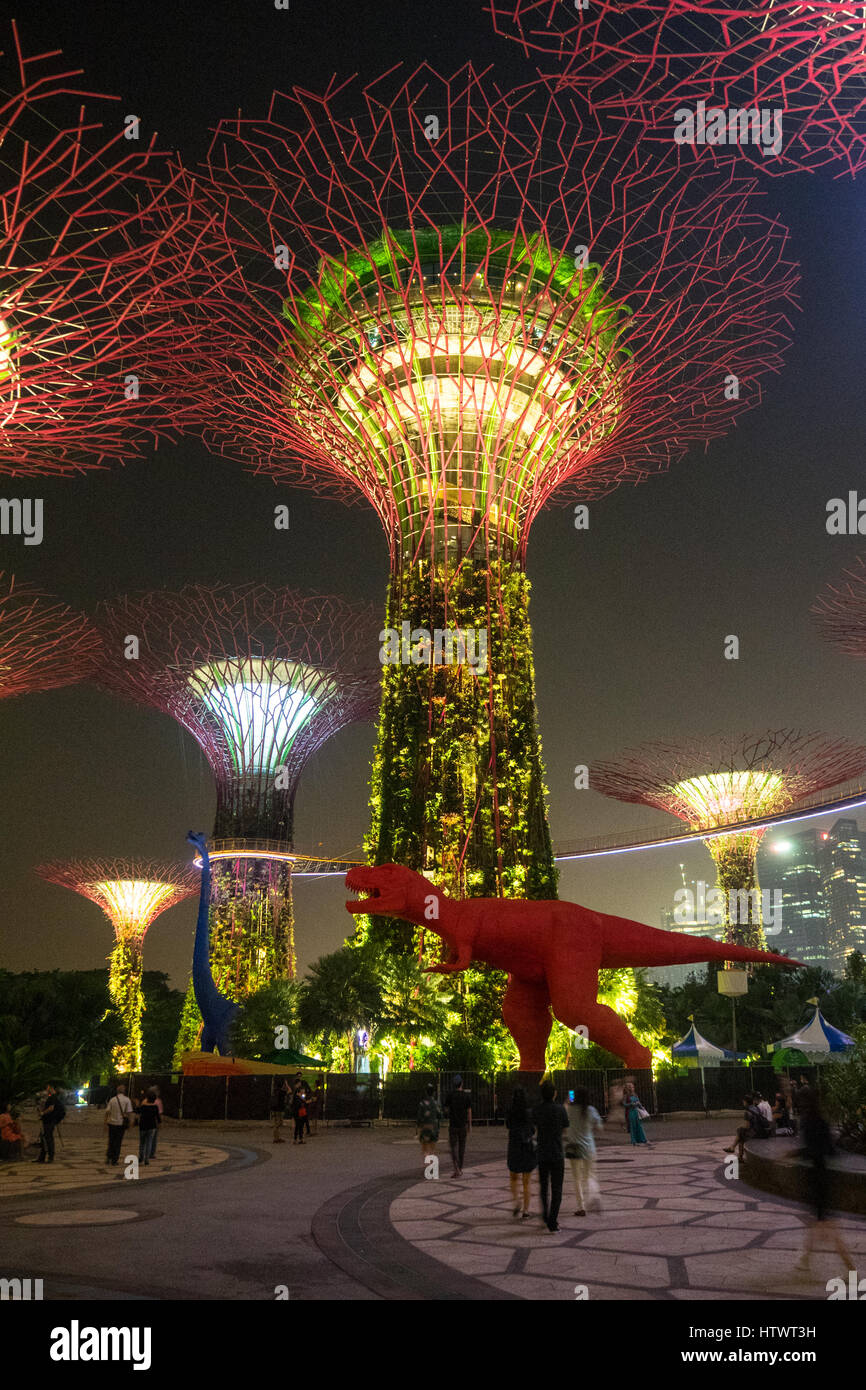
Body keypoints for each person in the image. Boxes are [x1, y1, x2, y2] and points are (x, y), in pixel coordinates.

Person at [795, 1087, 855, 1278]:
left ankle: (851, 1271)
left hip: (817, 1180)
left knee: (828, 1228)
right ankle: (805, 1260)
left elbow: (813, 1150)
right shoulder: (821, 1121)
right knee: (817, 1223)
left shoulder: (810, 1122)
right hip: (823, 1176)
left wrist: (794, 1153)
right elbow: (830, 1150)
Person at [532, 1081, 569, 1232]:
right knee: (557, 1188)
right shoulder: (560, 1109)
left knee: (543, 1187)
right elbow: (565, 1130)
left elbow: (534, 1128)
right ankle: (552, 1221)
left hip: (542, 1152)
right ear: (554, 1093)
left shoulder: (537, 1109)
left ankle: (545, 1216)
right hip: (557, 1152)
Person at [564, 1087, 604, 1215]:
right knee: (590, 1175)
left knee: (577, 1178)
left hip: (574, 1148)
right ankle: (594, 1196)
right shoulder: (591, 1110)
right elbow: (600, 1127)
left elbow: (564, 1127)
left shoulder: (569, 1110)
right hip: (589, 1147)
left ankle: (581, 1207)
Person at [505, 1086, 536, 1219]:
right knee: (526, 1181)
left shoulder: (510, 1111)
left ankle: (517, 1201)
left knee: (513, 1177)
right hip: (527, 1146)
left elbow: (508, 1125)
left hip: (514, 1146)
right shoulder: (529, 1112)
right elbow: (533, 1130)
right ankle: (526, 1210)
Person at [725, 1093, 770, 1162]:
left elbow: (747, 1126)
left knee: (740, 1133)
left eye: (743, 1101)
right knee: (741, 1132)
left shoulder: (747, 1112)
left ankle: (734, 1150)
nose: (743, 1103)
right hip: (761, 1131)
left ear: (746, 1102)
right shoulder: (756, 1108)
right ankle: (734, 1149)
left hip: (756, 1133)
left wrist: (740, 1127)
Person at [444, 1075, 472, 1178]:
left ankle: (456, 1168)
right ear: (462, 1083)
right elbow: (469, 1111)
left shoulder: (450, 1095)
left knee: (452, 1147)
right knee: (462, 1148)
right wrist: (469, 1124)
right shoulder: (466, 1096)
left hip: (453, 1125)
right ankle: (460, 1168)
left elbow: (446, 1109)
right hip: (463, 1125)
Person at [104, 1083, 133, 1166]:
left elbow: (107, 1111)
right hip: (121, 1124)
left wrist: (105, 1122)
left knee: (111, 1140)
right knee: (118, 1141)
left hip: (112, 1123)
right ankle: (114, 1159)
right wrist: (130, 1123)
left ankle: (109, 1157)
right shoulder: (127, 1100)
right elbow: (129, 1112)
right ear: (124, 1091)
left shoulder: (112, 1100)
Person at [36, 1084, 65, 1164]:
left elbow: (51, 1108)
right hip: (48, 1120)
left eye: (48, 1087)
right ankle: (42, 1157)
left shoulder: (53, 1097)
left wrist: (42, 1113)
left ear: (51, 1088)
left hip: (50, 1121)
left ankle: (50, 1157)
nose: (46, 1089)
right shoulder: (52, 1097)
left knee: (48, 1138)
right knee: (44, 1138)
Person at [416, 1084, 441, 1161]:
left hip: (424, 1128)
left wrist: (418, 1130)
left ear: (426, 1092)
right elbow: (440, 1115)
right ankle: (432, 1167)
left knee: (425, 1148)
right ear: (433, 1092)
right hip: (433, 1127)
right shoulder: (436, 1103)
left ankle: (426, 1167)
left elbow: (419, 1117)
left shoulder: (422, 1104)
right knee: (432, 1148)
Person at [137, 1089, 160, 1166]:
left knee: (142, 1143)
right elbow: (158, 1118)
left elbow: (137, 1112)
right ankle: (147, 1159)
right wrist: (159, 1124)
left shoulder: (143, 1106)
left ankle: (141, 1157)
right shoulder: (155, 1107)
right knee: (149, 1143)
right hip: (152, 1126)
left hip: (143, 1126)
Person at [271, 1079, 288, 1143]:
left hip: (274, 1109)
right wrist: (286, 1084)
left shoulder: (275, 1091)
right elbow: (289, 1091)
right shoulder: (282, 1092)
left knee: (276, 1123)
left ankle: (276, 1138)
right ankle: (276, 1138)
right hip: (279, 1110)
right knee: (280, 1123)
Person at [150, 1085, 164, 1155]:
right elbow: (159, 1113)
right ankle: (152, 1153)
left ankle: (146, 1152)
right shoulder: (158, 1101)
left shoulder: (145, 1101)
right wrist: (160, 1122)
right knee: (154, 1138)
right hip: (154, 1122)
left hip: (147, 1121)